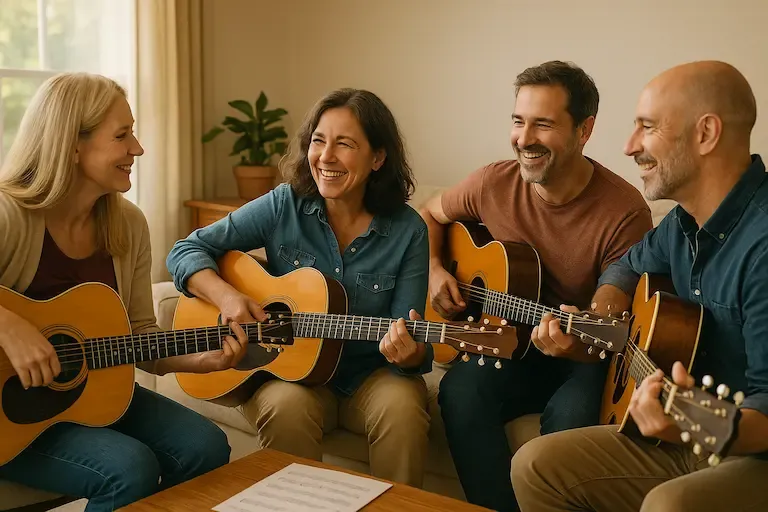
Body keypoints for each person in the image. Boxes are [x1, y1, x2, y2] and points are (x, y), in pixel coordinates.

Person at [510, 60, 768, 512]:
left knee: (670, 505)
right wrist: (602, 315)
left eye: (646, 127)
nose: (629, 147)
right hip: (693, 430)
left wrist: (686, 423)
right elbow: (628, 267)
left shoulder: (762, 245)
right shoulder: (682, 223)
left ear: (705, 134)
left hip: (751, 447)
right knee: (535, 464)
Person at [0, 73, 249, 511]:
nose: (137, 149)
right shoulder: (8, 213)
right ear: (72, 145)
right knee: (127, 467)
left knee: (205, 445)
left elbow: (138, 338)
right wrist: (10, 326)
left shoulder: (128, 225)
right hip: (10, 418)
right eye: (122, 135)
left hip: (87, 397)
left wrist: (202, 361)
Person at [166, 88, 432, 488]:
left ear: (378, 158)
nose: (325, 157)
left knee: (405, 408)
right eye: (318, 141)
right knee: (284, 406)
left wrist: (410, 354)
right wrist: (228, 297)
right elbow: (187, 248)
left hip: (370, 378)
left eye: (344, 144)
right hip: (293, 377)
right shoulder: (283, 204)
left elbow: (411, 337)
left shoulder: (409, 230)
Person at [420, 60, 653, 511]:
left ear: (584, 130)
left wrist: (578, 338)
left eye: (543, 124)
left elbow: (614, 305)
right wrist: (435, 269)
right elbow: (430, 213)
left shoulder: (625, 211)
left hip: (584, 355)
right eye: (518, 121)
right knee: (461, 390)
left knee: (572, 419)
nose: (524, 139)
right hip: (509, 343)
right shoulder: (493, 182)